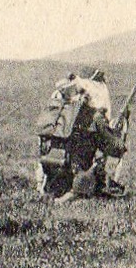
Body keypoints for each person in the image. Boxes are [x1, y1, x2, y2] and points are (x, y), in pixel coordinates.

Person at [35, 69, 127, 201]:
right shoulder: (95, 103)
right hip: (80, 151)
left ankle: (61, 191)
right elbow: (111, 144)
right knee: (85, 164)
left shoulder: (66, 108)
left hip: (68, 147)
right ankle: (72, 192)